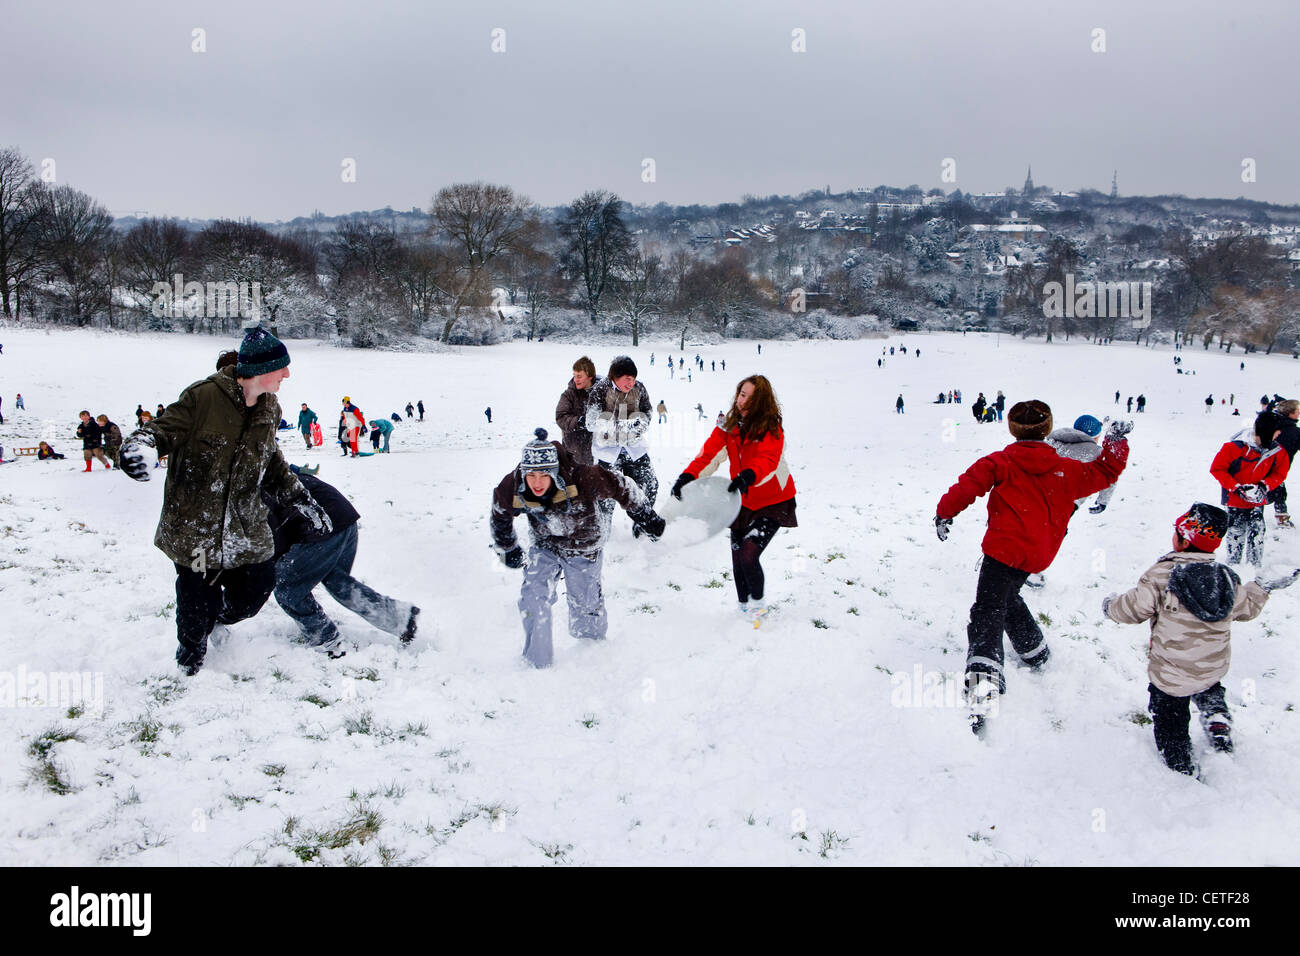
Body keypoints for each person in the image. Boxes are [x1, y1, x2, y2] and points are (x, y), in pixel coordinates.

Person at [117, 325, 332, 675]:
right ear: (261, 370)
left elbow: (272, 461)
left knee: (255, 593)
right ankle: (190, 661)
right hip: (196, 530)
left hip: (246, 529)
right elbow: (159, 431)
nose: (287, 374)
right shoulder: (202, 398)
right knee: (194, 602)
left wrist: (301, 499)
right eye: (282, 368)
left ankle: (217, 618)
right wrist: (137, 448)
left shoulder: (270, 408)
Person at [934, 401, 1131, 734]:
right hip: (1038, 553)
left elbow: (968, 486)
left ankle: (985, 675)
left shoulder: (1000, 461)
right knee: (1007, 596)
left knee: (987, 609)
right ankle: (1033, 649)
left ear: (1012, 429)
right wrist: (1116, 442)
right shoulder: (1067, 468)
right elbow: (1107, 471)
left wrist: (944, 512)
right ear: (1047, 428)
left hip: (1002, 549)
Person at [1103, 503, 1298, 775]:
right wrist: (1262, 586)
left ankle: (1179, 762)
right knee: (1208, 686)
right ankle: (1217, 719)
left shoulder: (1162, 575)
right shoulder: (1226, 578)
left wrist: (1111, 606)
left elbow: (1134, 609)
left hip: (1170, 675)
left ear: (1183, 540)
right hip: (1211, 665)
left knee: (1170, 716)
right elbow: (1247, 607)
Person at [490, 428, 665, 668]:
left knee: (585, 602)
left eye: (544, 475)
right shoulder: (514, 484)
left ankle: (590, 653)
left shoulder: (583, 477)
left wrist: (645, 515)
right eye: (531, 476)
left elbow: (621, 486)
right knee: (533, 596)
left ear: (554, 472)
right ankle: (535, 663)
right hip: (545, 543)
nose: (537, 483)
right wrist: (508, 547)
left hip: (584, 543)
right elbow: (499, 512)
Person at [672, 375, 797, 625]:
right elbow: (709, 455)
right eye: (742, 394)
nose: (743, 401)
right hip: (741, 500)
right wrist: (688, 477)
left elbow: (768, 460)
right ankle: (743, 606)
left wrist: (748, 475)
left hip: (772, 500)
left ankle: (759, 607)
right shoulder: (728, 425)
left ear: (762, 401)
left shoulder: (771, 426)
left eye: (751, 397)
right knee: (738, 556)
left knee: (750, 554)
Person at [265, 468, 419, 656]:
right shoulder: (278, 472)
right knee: (336, 580)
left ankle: (325, 639)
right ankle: (400, 617)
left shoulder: (261, 495)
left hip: (325, 527)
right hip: (345, 518)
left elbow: (275, 545)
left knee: (286, 586)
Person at [1209, 411, 1290, 566]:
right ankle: (1234, 565)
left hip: (1257, 501)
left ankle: (1254, 566)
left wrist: (1264, 486)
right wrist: (1236, 487)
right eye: (1276, 432)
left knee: (1257, 533)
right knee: (1235, 533)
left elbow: (1280, 473)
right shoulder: (1234, 447)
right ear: (1267, 430)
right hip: (1235, 500)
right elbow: (1217, 469)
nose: (1279, 434)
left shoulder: (1276, 451)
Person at [585, 356, 658, 520]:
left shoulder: (639, 388)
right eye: (627, 379)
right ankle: (603, 530)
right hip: (608, 453)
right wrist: (619, 426)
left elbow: (647, 411)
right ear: (615, 377)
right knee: (606, 496)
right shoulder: (600, 390)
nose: (631, 383)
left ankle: (642, 524)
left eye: (633, 378)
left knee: (649, 486)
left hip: (635, 449)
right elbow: (591, 422)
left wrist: (640, 424)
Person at [555, 356, 599, 466]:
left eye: (579, 376)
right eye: (574, 376)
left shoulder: (602, 393)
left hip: (599, 453)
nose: (576, 380)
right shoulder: (569, 395)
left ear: (590, 376)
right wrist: (579, 421)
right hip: (574, 453)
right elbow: (561, 417)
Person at [1267, 399, 1299, 528]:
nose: (1299, 414)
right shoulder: (1294, 432)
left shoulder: (1269, 424)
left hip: (1258, 465)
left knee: (1260, 489)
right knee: (1278, 490)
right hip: (1278, 468)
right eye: (1297, 411)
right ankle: (1282, 518)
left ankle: (1253, 514)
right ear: (1290, 413)